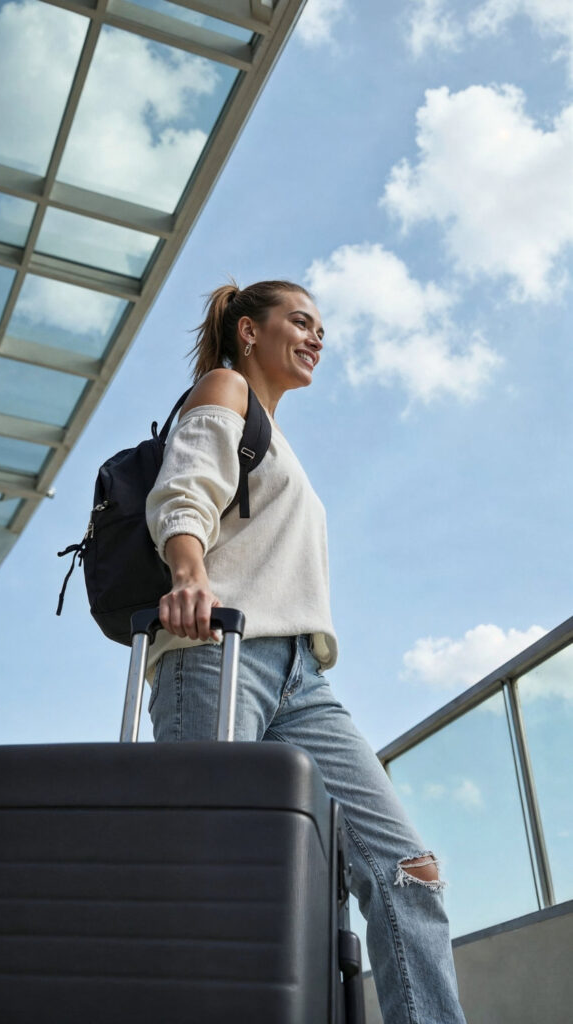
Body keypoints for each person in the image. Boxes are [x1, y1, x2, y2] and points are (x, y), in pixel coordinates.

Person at [145, 280, 467, 1024]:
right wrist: (188, 576)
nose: (317, 337)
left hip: (304, 680)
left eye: (321, 327)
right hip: (218, 656)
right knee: (210, 875)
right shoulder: (223, 387)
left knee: (405, 869)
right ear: (249, 332)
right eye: (301, 322)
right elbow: (184, 488)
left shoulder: (281, 442)